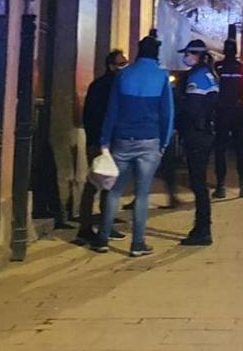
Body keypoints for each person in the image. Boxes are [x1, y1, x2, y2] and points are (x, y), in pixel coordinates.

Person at [95, 34, 174, 257]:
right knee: (142, 194)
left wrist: (104, 141)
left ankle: (102, 237)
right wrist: (164, 142)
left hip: (122, 139)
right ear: (156, 54)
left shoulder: (124, 75)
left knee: (113, 191)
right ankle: (137, 243)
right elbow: (167, 113)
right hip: (149, 141)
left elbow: (112, 111)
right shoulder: (161, 77)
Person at [75, 50, 128, 246]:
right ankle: (94, 227)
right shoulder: (112, 86)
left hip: (97, 141)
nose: (124, 66)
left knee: (98, 184)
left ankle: (92, 226)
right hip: (104, 142)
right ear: (111, 66)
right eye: (121, 63)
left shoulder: (98, 85)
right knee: (101, 184)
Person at [175, 39, 220, 246]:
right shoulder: (209, 74)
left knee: (198, 183)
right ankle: (202, 227)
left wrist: (179, 104)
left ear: (198, 55)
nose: (186, 57)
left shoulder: (197, 77)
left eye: (189, 53)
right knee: (199, 182)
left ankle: (202, 230)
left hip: (196, 134)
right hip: (207, 133)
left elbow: (192, 109)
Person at [213, 39, 243, 199]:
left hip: (222, 113)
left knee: (220, 150)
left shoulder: (217, 67)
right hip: (238, 114)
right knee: (240, 150)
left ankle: (220, 187)